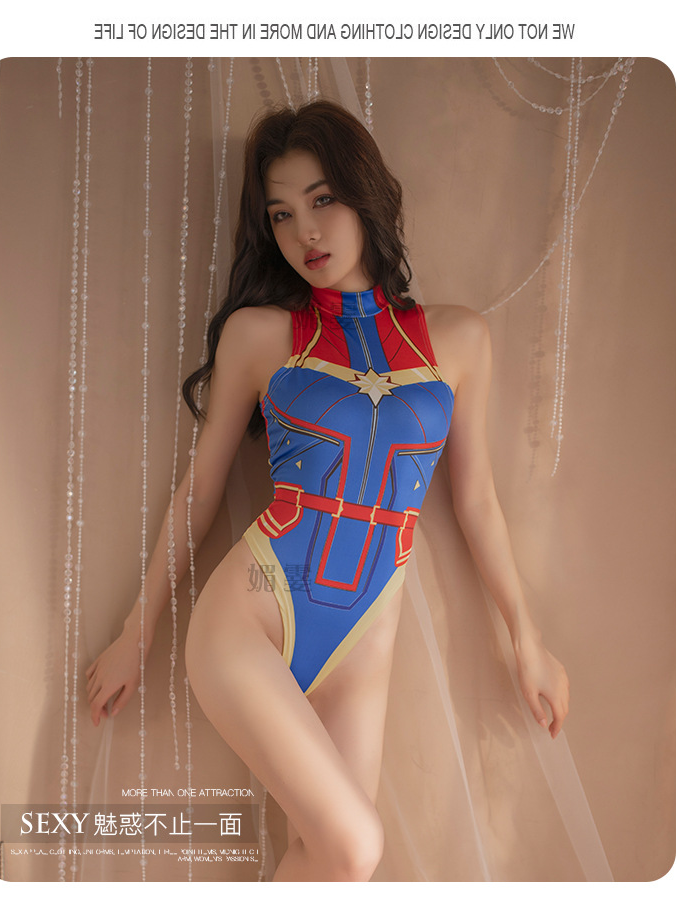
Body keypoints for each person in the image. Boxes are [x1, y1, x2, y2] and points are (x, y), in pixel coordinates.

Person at [85, 99, 569, 882]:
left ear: (364, 193)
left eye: (322, 200)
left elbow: (476, 500)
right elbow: (201, 489)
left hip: (365, 637)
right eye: (281, 214)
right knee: (357, 842)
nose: (304, 232)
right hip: (249, 612)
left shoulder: (461, 338)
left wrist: (528, 639)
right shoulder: (258, 334)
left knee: (334, 865)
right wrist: (135, 635)